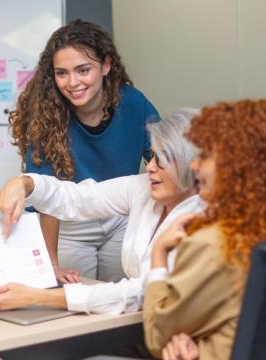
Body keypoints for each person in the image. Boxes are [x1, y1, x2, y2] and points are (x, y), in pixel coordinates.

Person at [142, 99, 266, 360]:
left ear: (238, 166)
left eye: (204, 156)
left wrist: (159, 253)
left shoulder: (217, 244)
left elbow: (157, 335)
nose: (194, 166)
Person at [0, 109, 202, 316]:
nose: (151, 166)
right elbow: (78, 199)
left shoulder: (202, 218)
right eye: (152, 156)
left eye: (161, 160)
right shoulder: (142, 188)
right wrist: (24, 184)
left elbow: (140, 293)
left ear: (191, 165)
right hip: (145, 322)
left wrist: (40, 297)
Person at [9, 19, 159, 283]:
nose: (72, 82)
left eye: (83, 70)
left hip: (121, 219)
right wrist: (51, 264)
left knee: (124, 302)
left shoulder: (134, 103)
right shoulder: (44, 116)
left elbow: (163, 162)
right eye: (62, 73)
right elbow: (47, 197)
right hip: (69, 225)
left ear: (106, 65)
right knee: (75, 299)